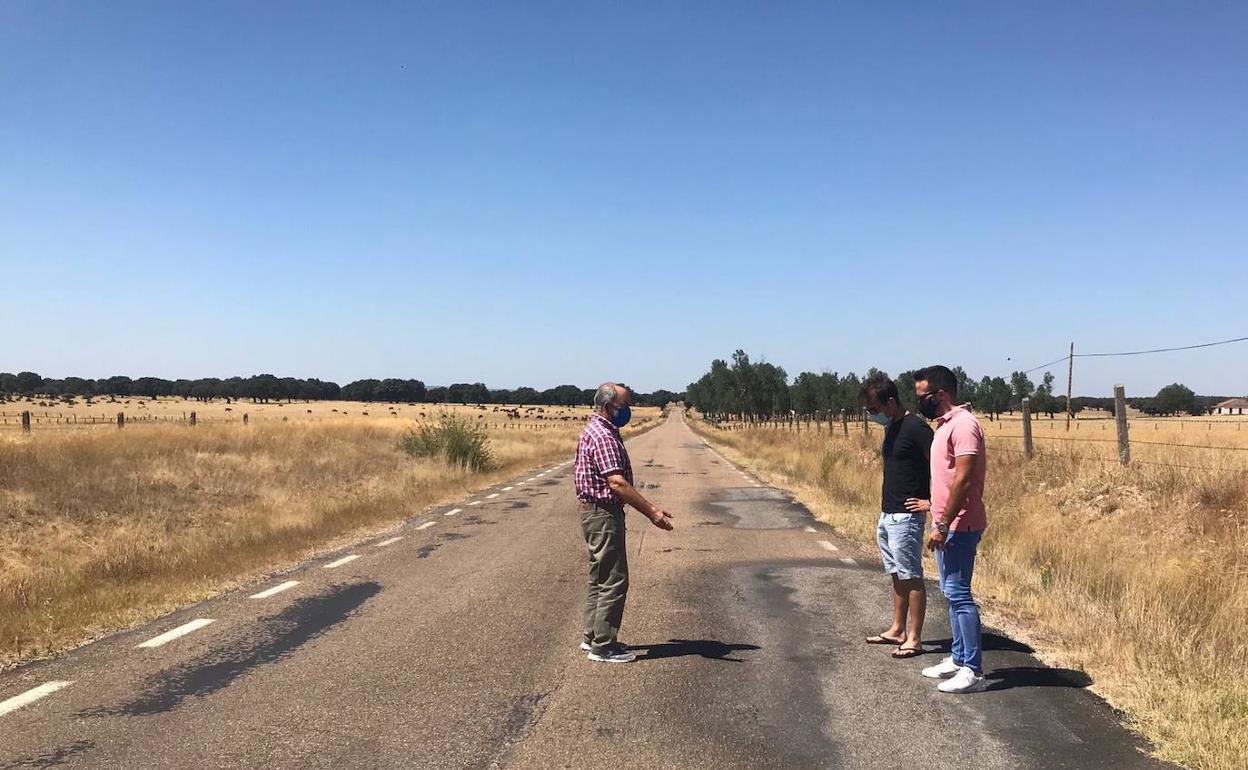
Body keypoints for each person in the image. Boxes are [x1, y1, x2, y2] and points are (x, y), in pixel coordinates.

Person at [574, 382, 675, 663]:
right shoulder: (604, 436)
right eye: (623, 406)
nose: (627, 411)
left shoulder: (598, 430)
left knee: (600, 576)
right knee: (615, 579)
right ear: (607, 406)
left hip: (594, 512)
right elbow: (616, 482)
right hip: (603, 513)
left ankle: (593, 635)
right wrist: (652, 512)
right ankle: (603, 646)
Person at [913, 365, 990, 694]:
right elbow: (946, 478)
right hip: (945, 522)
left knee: (959, 595)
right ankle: (958, 658)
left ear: (940, 394)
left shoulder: (964, 425)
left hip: (958, 524)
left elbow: (964, 478)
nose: (920, 403)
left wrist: (944, 523)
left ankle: (972, 670)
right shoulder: (945, 426)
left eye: (923, 397)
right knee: (950, 592)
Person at [860, 374, 934, 660]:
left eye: (875, 410)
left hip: (907, 516)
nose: (873, 415)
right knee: (896, 574)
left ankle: (914, 638)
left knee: (911, 575)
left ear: (891, 402)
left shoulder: (917, 428)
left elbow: (941, 466)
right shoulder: (892, 428)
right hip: (888, 513)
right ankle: (897, 629)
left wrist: (932, 502)